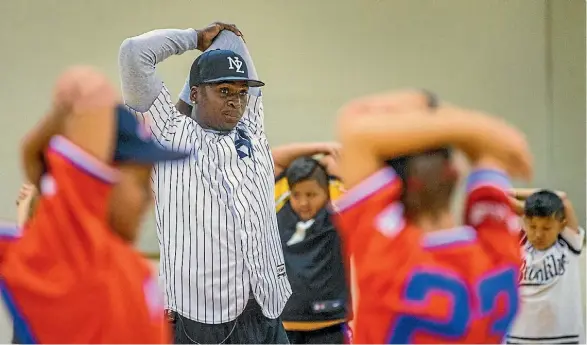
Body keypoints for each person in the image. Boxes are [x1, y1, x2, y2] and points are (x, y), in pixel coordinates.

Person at [119, 23, 291, 343]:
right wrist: (195, 38)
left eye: (241, 93)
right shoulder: (167, 137)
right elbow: (133, 54)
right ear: (196, 94)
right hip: (201, 321)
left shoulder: (251, 130)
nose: (236, 102)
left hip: (267, 310)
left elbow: (231, 40)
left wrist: (221, 39)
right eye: (223, 91)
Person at [0, 66, 189, 343]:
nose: (151, 198)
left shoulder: (131, 269)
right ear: (98, 181)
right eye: (139, 182)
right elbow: (88, 89)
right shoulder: (66, 260)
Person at [332, 90, 533, 343]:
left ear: (395, 185)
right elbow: (491, 155)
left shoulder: (389, 258)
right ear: (455, 172)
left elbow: (355, 129)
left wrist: (473, 128)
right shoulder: (500, 253)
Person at [273, 152, 348, 344]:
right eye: (296, 195)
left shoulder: (337, 212)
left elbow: (352, 181)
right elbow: (275, 159)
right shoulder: (280, 206)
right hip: (285, 323)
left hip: (328, 321)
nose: (303, 202)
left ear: (328, 192)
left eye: (312, 195)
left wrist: (329, 162)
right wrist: (322, 147)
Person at [506, 189, 585, 345]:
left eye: (547, 228)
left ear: (561, 225)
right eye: (533, 226)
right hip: (520, 338)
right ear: (525, 222)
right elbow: (503, 197)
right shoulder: (518, 244)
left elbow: (563, 198)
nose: (538, 234)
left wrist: (533, 207)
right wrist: (529, 208)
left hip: (565, 338)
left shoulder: (569, 244)